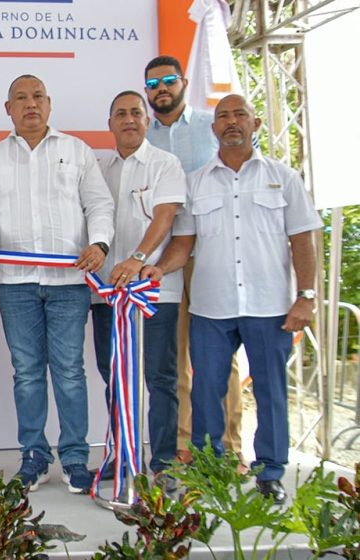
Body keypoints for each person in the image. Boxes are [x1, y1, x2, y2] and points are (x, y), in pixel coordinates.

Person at [145, 94, 320, 504]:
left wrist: (306, 297)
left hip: (270, 306)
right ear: (214, 129)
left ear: (255, 123)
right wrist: (158, 268)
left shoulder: (283, 178)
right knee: (207, 390)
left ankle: (270, 471)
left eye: (239, 114)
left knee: (271, 392)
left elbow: (303, 241)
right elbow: (183, 244)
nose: (231, 122)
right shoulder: (197, 182)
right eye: (223, 116)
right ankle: (212, 469)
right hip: (211, 306)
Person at [0, 74, 114, 494]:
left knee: (70, 373)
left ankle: (76, 458)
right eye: (20, 98)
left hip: (68, 281)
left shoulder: (76, 151)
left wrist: (100, 243)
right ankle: (34, 457)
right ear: (8, 109)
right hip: (15, 283)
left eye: (37, 96)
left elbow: (99, 204)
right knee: (27, 373)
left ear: (49, 103)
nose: (30, 104)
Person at [144, 54, 246, 470]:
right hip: (165, 257)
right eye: (153, 84)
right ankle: (184, 444)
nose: (161, 89)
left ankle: (230, 445)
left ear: (183, 83)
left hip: (213, 251)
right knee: (175, 354)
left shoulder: (212, 125)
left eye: (169, 80)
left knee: (220, 355)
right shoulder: (143, 137)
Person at [90, 91, 186, 488]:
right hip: (107, 294)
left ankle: (162, 461)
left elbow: (165, 216)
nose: (128, 119)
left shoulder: (166, 164)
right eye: (120, 114)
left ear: (147, 121)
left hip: (152, 293)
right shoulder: (99, 168)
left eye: (136, 113)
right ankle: (121, 454)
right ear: (109, 123)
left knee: (159, 377)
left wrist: (139, 256)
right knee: (113, 375)